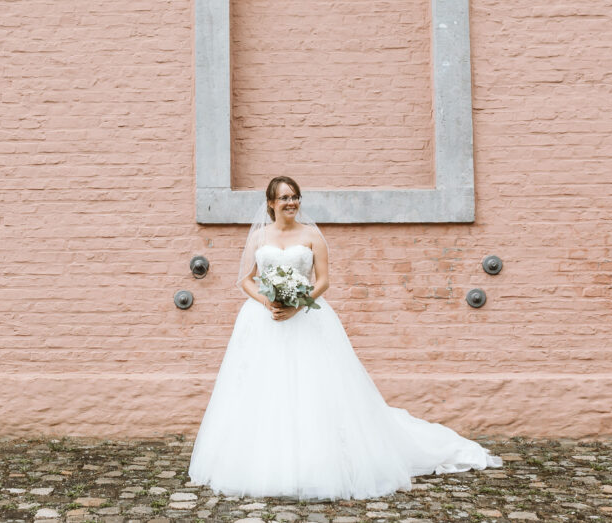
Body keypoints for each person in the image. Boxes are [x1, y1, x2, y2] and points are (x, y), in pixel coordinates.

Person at [188, 176, 503, 500]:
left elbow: (323, 281)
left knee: (313, 389)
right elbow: (246, 280)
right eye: (284, 198)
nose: (291, 203)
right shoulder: (258, 236)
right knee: (264, 387)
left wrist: (298, 305)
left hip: (307, 317)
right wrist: (268, 301)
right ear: (270, 203)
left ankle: (317, 461)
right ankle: (267, 459)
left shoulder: (312, 237)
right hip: (263, 321)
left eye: (295, 197)